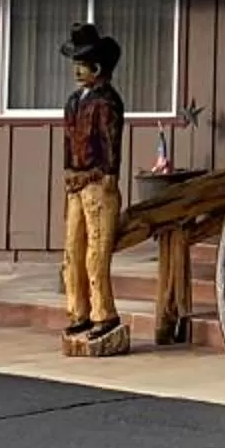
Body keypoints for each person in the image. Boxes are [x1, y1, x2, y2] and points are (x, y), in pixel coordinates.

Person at [60, 22, 129, 354]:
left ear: (97, 68)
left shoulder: (106, 101)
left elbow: (110, 140)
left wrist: (110, 172)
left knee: (96, 252)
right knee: (73, 249)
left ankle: (104, 312)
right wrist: (68, 169)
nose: (76, 70)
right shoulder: (74, 102)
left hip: (98, 181)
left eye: (82, 64)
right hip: (76, 181)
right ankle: (79, 310)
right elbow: (68, 141)